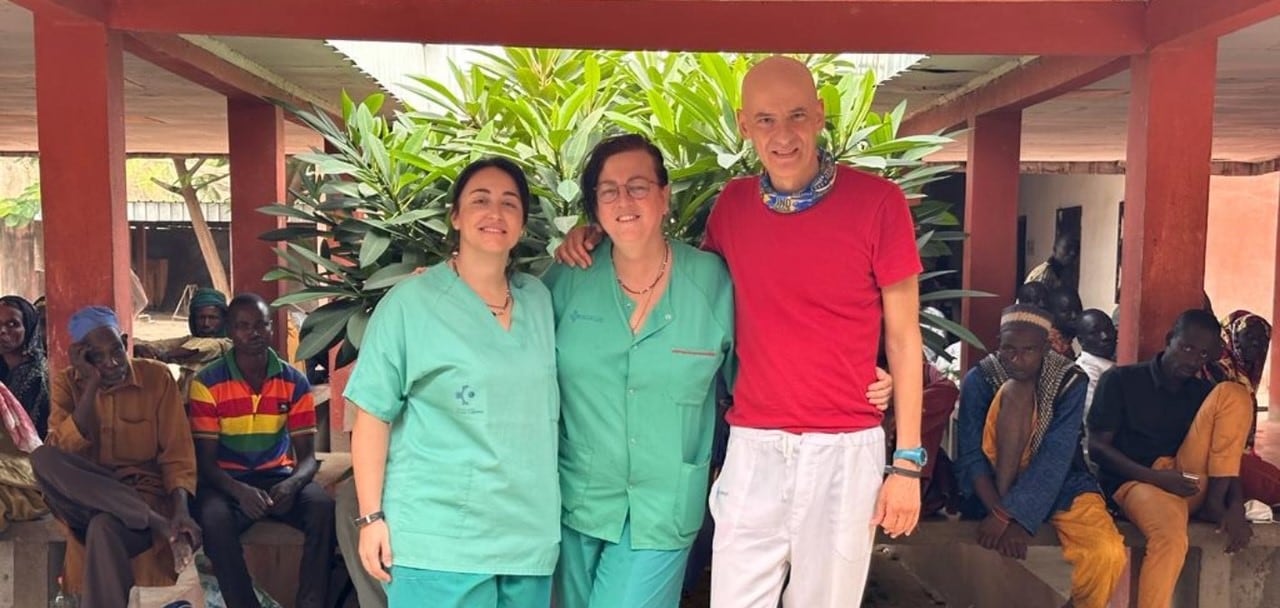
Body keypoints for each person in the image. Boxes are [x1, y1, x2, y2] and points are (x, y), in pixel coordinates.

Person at [558, 55, 923, 608]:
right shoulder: (732, 207)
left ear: (820, 115)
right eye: (766, 120)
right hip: (754, 444)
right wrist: (594, 236)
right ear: (744, 124)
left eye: (797, 116)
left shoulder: (879, 203)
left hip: (844, 444)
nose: (783, 135)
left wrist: (908, 462)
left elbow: (903, 337)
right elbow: (693, 296)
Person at [345, 158, 560, 608]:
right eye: (479, 200)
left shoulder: (539, 301)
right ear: (456, 216)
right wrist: (371, 518)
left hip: (527, 540)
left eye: (509, 203)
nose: (494, 213)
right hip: (438, 542)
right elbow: (371, 414)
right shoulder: (410, 303)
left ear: (522, 223)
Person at [543, 134, 734, 608]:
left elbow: (765, 369)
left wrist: (863, 380)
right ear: (594, 207)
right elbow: (501, 333)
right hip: (576, 501)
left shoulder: (713, 281)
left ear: (665, 195)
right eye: (608, 190)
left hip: (663, 507)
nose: (623, 200)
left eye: (638, 186)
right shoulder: (567, 278)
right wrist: (441, 284)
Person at [31, 306, 202, 608]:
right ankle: (154, 522)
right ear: (83, 357)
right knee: (43, 457)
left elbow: (178, 454)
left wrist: (181, 510)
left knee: (104, 527)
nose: (111, 362)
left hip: (143, 494)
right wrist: (92, 384)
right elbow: (63, 451)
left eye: (116, 350)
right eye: (98, 357)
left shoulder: (157, 378)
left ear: (125, 342)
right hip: (84, 499)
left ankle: (146, 516)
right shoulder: (67, 384)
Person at [956, 305, 1125, 608]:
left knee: (1107, 553)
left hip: (1062, 481)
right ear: (998, 343)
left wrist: (1014, 513)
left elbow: (1057, 453)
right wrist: (1000, 510)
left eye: (1029, 350)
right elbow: (970, 454)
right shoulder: (979, 378)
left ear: (1046, 348)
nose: (1017, 359)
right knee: (1015, 391)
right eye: (1008, 349)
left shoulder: (1070, 379)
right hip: (992, 486)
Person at [1088, 309, 1254, 608]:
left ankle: (1214, 504)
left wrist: (1235, 506)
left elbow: (1227, 451)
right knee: (1171, 538)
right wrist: (1156, 478)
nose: (1192, 360)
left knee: (1234, 393)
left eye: (1203, 354)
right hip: (1138, 484)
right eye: (1187, 347)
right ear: (1169, 340)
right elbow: (1098, 449)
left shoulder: (1203, 392)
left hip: (1188, 480)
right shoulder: (1121, 380)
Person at [188, 294, 333, 608]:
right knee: (213, 517)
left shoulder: (294, 382)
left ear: (270, 329)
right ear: (229, 331)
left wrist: (291, 484)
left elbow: (307, 458)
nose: (251, 333)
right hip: (226, 482)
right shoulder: (206, 383)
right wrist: (240, 492)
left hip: (276, 478)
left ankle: (311, 603)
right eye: (242, 326)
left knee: (321, 507)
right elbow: (206, 465)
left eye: (259, 325)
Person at [1202, 311, 1280, 507]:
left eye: (1262, 338)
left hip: (1234, 458)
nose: (1256, 343)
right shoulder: (1218, 371)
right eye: (1249, 336)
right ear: (1232, 336)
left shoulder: (1244, 372)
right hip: (1214, 460)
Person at [135, 287, 232, 398]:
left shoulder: (225, 343)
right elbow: (164, 344)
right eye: (201, 318)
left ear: (223, 319)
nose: (206, 323)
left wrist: (163, 355)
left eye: (213, 318)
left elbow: (194, 349)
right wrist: (142, 346)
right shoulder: (191, 339)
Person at [0, 295, 50, 437]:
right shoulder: (4, 368)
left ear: (28, 328)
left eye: (12, 324)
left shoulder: (38, 377)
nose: (2, 331)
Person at [1075, 309, 1117, 414]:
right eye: (1095, 333)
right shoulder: (1085, 373)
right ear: (1081, 340)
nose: (1105, 336)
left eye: (1108, 329)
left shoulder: (1113, 363)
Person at [1046, 287, 1082, 358]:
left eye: (1077, 310)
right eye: (1066, 311)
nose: (1074, 316)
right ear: (1050, 313)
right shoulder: (1049, 347)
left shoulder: (1065, 341)